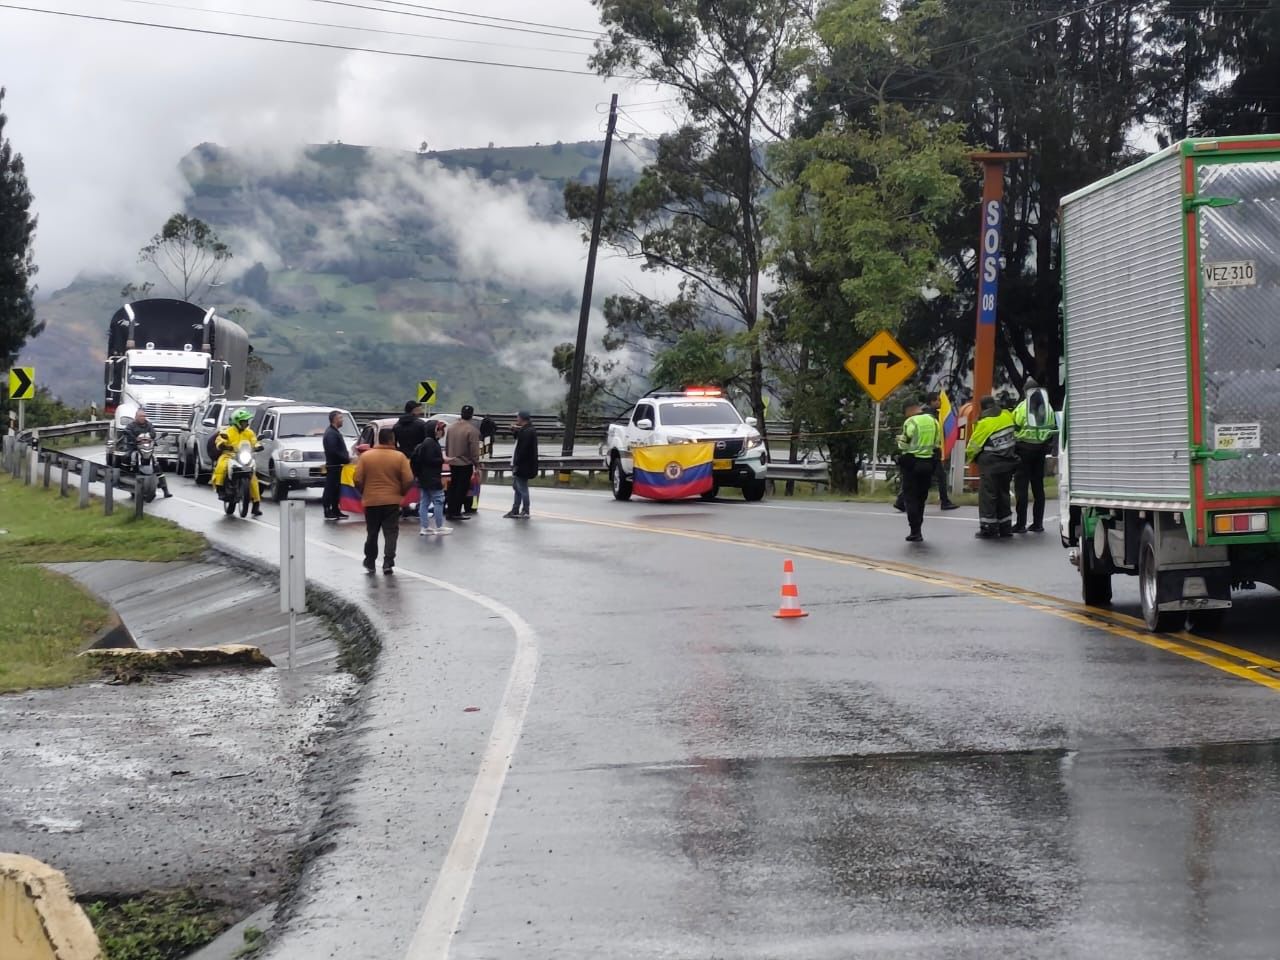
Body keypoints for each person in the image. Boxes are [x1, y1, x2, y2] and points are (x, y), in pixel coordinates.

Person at [354, 427, 414, 573]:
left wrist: (364, 491)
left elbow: (357, 479)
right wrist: (401, 493)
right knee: (391, 532)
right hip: (392, 501)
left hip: (371, 500)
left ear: (378, 439)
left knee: (372, 532)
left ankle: (370, 561)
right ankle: (388, 562)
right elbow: (408, 479)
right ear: (392, 439)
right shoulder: (399, 457)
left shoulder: (366, 457)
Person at [893, 392, 957, 513]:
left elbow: (907, 440)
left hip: (920, 454)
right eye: (938, 400)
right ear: (932, 402)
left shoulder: (924, 415)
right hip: (929, 453)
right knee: (939, 477)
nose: (940, 402)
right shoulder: (929, 416)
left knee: (914, 479)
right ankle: (944, 501)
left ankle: (901, 502)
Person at [966, 395, 1018, 539]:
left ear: (982, 408)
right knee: (1003, 494)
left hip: (990, 465)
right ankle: (1006, 527)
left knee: (988, 496)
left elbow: (973, 447)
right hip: (1008, 463)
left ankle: (989, 528)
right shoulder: (1007, 416)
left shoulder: (985, 424)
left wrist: (972, 458)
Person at [1012, 377, 1058, 534]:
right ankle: (1038, 524)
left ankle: (1020, 524)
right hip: (1041, 451)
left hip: (1023, 450)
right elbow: (1052, 427)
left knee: (1021, 488)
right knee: (1038, 487)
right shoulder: (1048, 408)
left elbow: (1014, 428)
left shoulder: (1022, 407)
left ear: (1026, 392)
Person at [896, 398, 940, 542]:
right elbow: (937, 443)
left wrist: (899, 441)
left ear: (909, 410)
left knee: (911, 499)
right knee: (921, 498)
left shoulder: (911, 422)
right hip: (928, 464)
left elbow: (903, 445)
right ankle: (918, 528)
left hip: (912, 464)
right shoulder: (934, 421)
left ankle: (915, 531)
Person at [212, 408, 262, 517]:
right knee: (221, 466)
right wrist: (223, 445)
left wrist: (258, 446)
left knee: (253, 478)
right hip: (229, 455)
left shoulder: (249, 432)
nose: (246, 424)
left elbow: (254, 441)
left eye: (246, 421)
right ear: (237, 422)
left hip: (245, 457)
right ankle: (220, 488)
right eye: (243, 421)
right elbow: (219, 440)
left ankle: (256, 504)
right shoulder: (227, 431)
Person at [411, 419, 451, 536]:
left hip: (423, 478)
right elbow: (430, 460)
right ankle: (439, 526)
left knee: (425, 502)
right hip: (432, 477)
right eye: (439, 429)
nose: (442, 432)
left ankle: (425, 527)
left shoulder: (425, 443)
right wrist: (443, 460)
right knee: (439, 501)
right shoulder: (431, 443)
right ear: (434, 431)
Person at [121, 407, 172, 498]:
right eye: (141, 416)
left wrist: (150, 437)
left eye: (144, 416)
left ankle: (165, 490)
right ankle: (125, 479)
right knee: (127, 457)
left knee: (156, 464)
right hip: (134, 448)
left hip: (147, 448)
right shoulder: (131, 425)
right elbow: (127, 431)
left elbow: (153, 433)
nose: (143, 418)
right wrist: (133, 438)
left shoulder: (148, 425)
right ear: (136, 416)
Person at [444, 404, 483, 521]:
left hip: (452, 461)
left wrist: (449, 456)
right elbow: (474, 450)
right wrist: (477, 463)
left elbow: (447, 445)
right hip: (464, 463)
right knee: (462, 488)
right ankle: (456, 512)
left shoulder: (451, 428)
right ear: (471, 416)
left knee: (453, 487)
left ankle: (450, 511)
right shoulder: (472, 430)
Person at [505, 410, 539, 519]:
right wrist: (514, 431)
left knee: (522, 488)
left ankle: (525, 510)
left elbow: (523, 449)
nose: (517, 419)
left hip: (523, 465)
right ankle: (515, 509)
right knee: (517, 487)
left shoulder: (528, 431)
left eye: (518, 417)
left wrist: (517, 463)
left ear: (522, 418)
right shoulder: (526, 430)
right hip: (521, 464)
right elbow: (519, 439)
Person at [322, 409, 350, 521]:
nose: (342, 420)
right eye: (340, 418)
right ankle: (327, 510)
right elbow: (333, 451)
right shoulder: (331, 434)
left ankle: (335, 509)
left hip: (338, 466)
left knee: (336, 489)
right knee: (330, 488)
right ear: (334, 419)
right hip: (333, 466)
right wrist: (345, 459)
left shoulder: (334, 432)